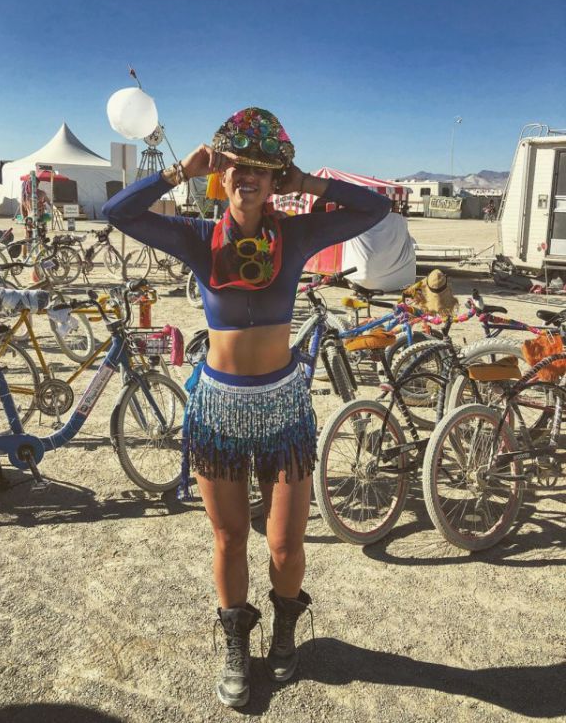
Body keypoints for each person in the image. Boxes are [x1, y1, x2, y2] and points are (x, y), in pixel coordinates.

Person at [102, 107, 391, 708]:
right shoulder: (194, 236)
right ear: (221, 172)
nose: (248, 176)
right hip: (219, 410)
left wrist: (308, 183)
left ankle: (285, 629)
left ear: (275, 177)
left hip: (284, 407)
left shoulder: (297, 235)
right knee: (231, 536)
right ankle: (236, 641)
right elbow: (118, 213)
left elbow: (375, 209)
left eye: (262, 168)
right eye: (236, 165)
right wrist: (180, 171)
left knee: (285, 544)